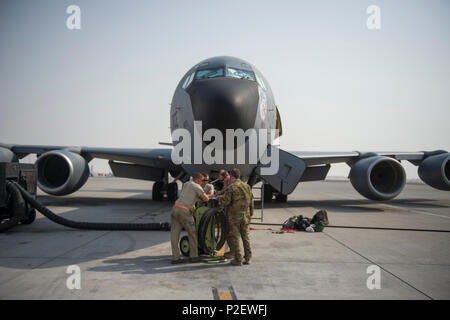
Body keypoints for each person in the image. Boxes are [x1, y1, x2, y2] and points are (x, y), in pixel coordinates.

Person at [170, 172, 210, 264]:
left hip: (175, 209)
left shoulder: (187, 183)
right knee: (192, 232)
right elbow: (206, 199)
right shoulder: (196, 186)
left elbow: (189, 195)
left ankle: (175, 258)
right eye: (201, 181)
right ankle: (194, 256)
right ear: (197, 179)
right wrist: (211, 194)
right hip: (184, 212)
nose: (202, 182)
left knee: (174, 234)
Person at [218, 168, 254, 266]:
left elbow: (226, 202)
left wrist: (220, 198)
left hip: (234, 217)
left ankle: (238, 259)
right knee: (246, 237)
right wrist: (250, 213)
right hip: (245, 216)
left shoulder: (231, 188)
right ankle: (248, 258)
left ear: (232, 176)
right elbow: (251, 201)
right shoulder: (247, 186)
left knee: (235, 237)